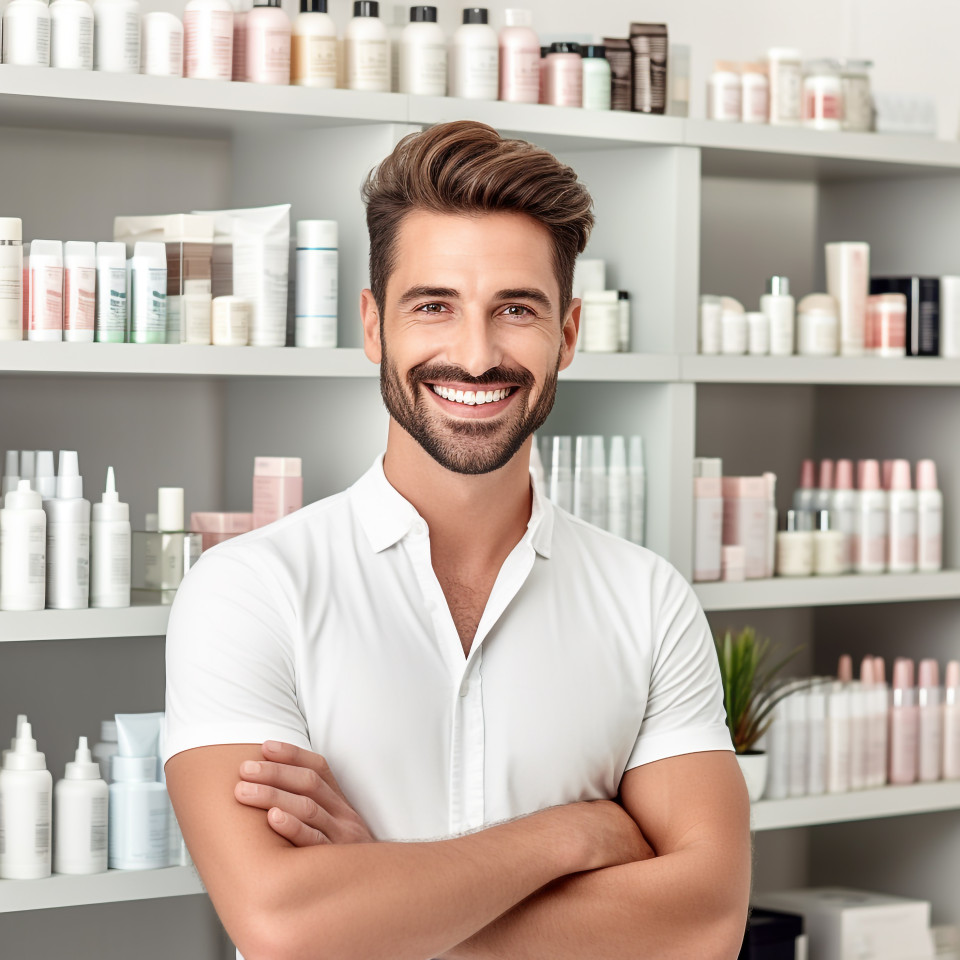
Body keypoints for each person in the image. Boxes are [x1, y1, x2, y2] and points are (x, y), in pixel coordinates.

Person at [163, 119, 751, 960]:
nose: (475, 357)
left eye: (515, 309)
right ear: (373, 326)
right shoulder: (250, 591)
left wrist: (380, 904)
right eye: (433, 306)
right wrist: (574, 836)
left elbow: (704, 922)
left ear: (569, 334)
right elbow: (287, 924)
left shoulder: (646, 600)